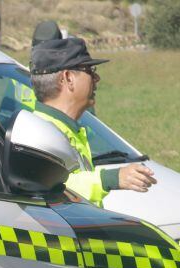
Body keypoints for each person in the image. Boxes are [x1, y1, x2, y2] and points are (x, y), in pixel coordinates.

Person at [29, 37, 156, 206]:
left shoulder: (64, 128)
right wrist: (110, 178)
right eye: (89, 70)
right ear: (67, 78)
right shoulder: (39, 133)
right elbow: (52, 187)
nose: (96, 78)